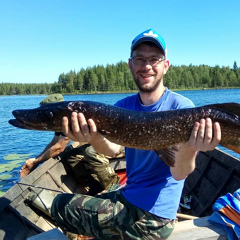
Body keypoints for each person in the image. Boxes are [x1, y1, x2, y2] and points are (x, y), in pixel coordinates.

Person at [42, 29, 221, 239]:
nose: (147, 66)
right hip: (130, 196)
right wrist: (94, 137)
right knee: (90, 199)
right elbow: (114, 149)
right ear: (130, 64)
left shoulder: (182, 107)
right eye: (140, 59)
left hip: (153, 219)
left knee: (59, 205)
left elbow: (180, 174)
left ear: (166, 65)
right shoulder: (123, 106)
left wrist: (191, 148)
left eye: (154, 59)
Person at [20, 94, 121, 195]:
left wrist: (36, 162)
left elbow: (59, 148)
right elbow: (54, 142)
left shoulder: (70, 119)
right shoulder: (60, 122)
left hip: (114, 144)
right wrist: (35, 159)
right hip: (95, 144)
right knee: (71, 157)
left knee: (90, 152)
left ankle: (114, 186)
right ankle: (94, 184)